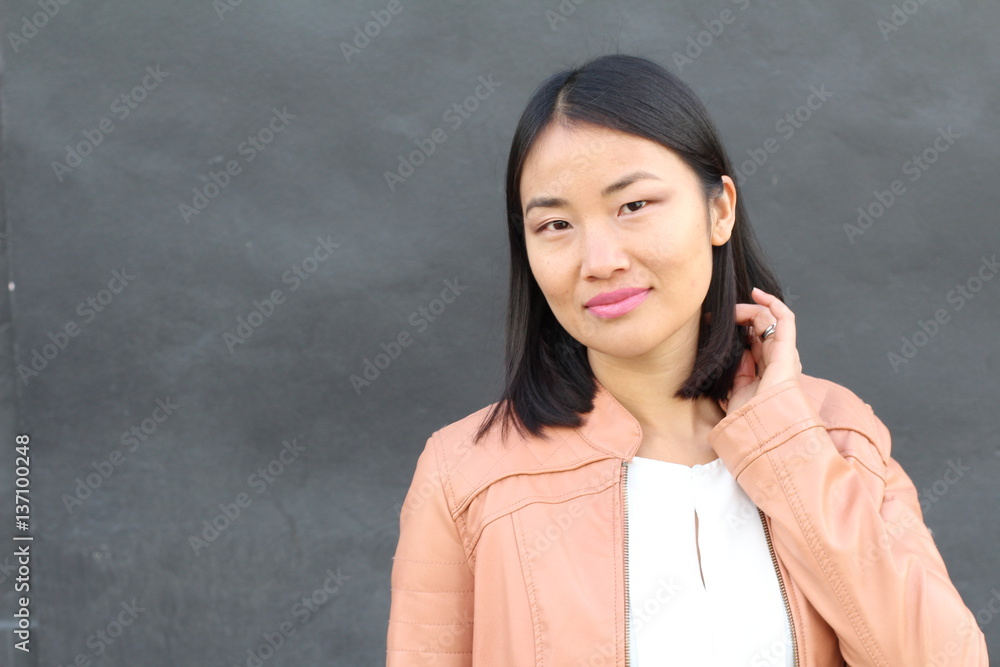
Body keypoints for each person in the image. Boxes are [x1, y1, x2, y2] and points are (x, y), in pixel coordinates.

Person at [386, 54, 988, 666]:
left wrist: (786, 445)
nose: (600, 260)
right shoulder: (464, 474)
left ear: (719, 211)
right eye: (556, 224)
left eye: (634, 205)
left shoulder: (839, 433)